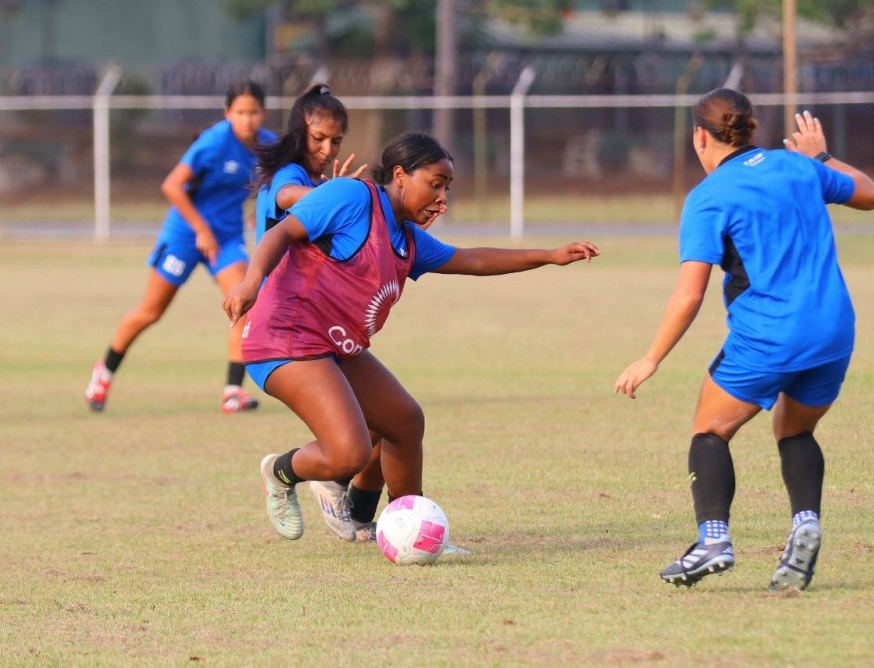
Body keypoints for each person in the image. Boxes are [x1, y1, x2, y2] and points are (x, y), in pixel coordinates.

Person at [223, 131, 600, 544]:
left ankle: (401, 527)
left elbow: (472, 259)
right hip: (285, 337)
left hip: (335, 347)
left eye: (447, 188)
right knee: (348, 453)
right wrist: (251, 282)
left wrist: (549, 256)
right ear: (400, 175)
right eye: (435, 184)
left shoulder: (407, 239)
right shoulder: (354, 197)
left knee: (404, 421)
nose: (442, 199)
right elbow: (281, 232)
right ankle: (279, 472)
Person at [613, 88, 874, 591]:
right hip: (833, 329)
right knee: (795, 430)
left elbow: (690, 293)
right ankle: (805, 524)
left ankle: (713, 540)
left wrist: (651, 358)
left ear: (700, 136)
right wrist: (822, 156)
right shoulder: (797, 166)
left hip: (770, 334)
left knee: (709, 432)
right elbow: (870, 194)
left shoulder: (709, 196)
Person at [85, 79, 277, 414]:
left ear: (264, 113)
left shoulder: (269, 145)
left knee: (243, 304)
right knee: (151, 312)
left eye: (254, 112)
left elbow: (279, 182)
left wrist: (260, 212)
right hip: (185, 235)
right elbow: (172, 186)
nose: (247, 119)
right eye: (240, 112)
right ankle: (104, 371)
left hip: (226, 238)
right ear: (227, 113)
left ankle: (233, 392)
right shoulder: (215, 141)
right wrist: (201, 229)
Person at [252, 82, 382, 543]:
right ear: (298, 133)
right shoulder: (289, 174)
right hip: (285, 328)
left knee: (388, 421)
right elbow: (289, 196)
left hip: (323, 322)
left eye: (336, 140)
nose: (327, 149)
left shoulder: (318, 183)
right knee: (347, 444)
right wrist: (331, 194)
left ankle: (357, 511)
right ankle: (283, 471)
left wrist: (330, 191)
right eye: (318, 138)